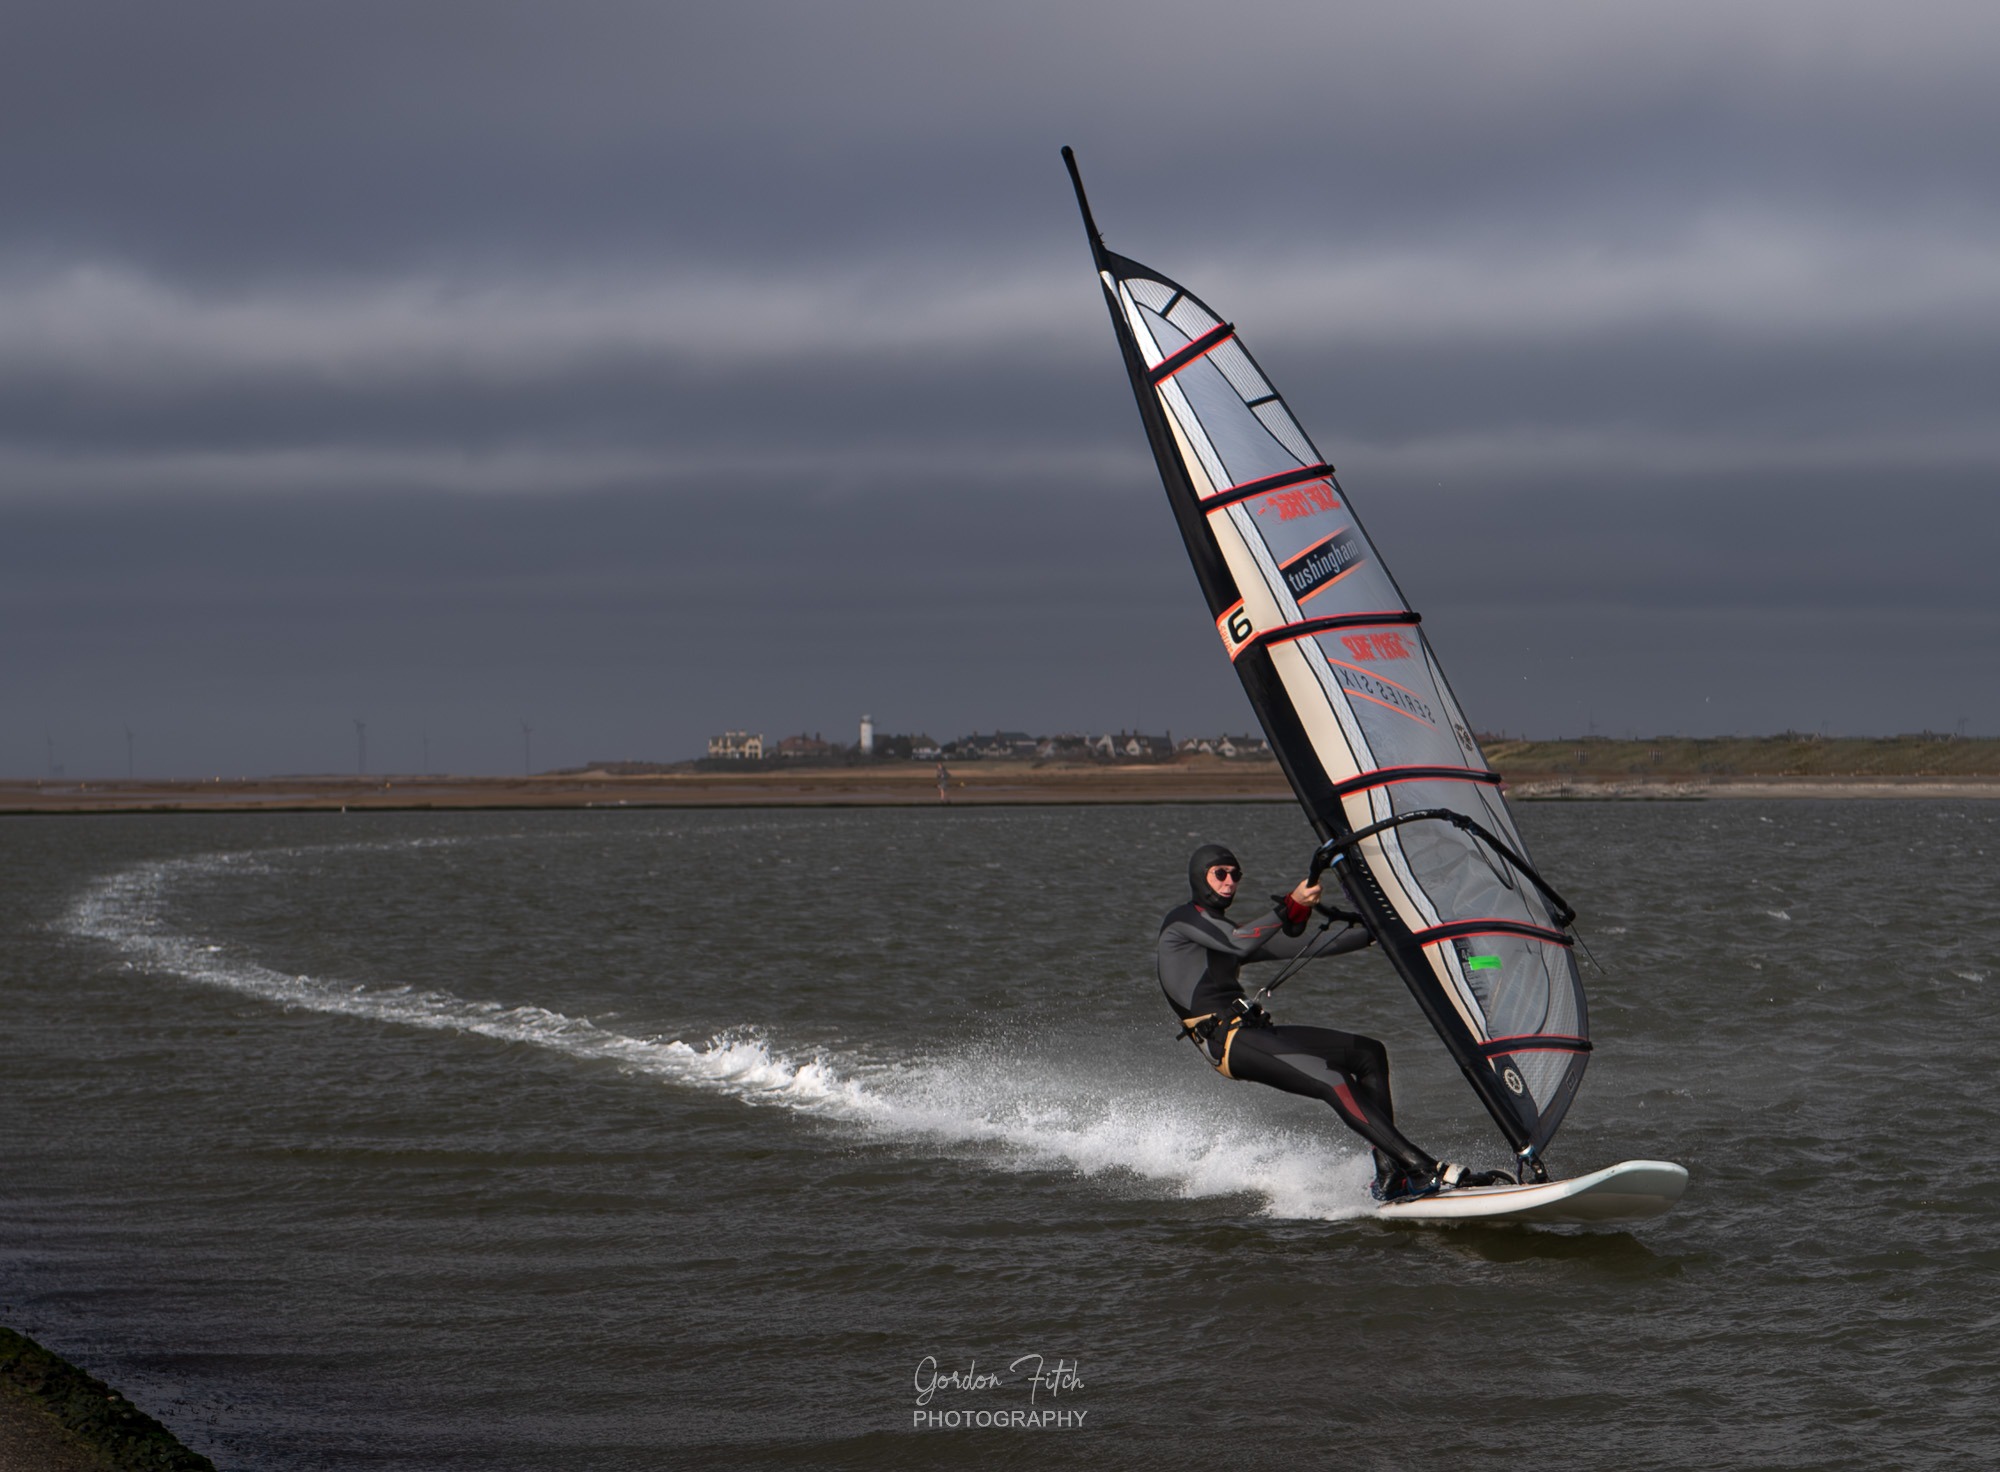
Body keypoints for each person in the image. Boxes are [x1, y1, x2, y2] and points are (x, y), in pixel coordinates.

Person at [1156, 843, 1507, 1201]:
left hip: (1250, 1032)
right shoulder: (1183, 922)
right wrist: (1288, 905)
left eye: (1235, 874)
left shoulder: (1222, 933)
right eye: (1220, 874)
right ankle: (1423, 1168)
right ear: (1200, 879)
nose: (1230, 881)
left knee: (1369, 1054)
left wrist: (1380, 931)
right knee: (1332, 1080)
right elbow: (1239, 944)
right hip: (1227, 1043)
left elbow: (1307, 946)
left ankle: (1390, 1173)